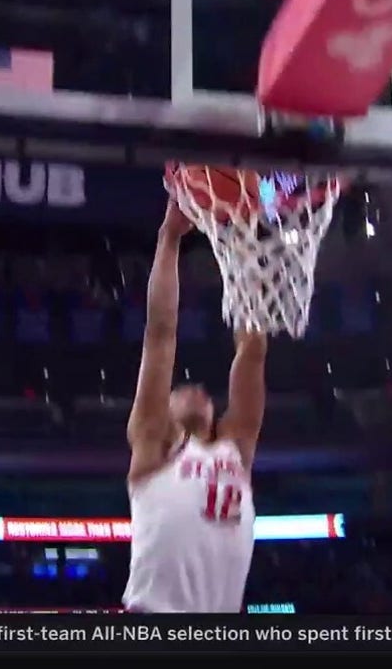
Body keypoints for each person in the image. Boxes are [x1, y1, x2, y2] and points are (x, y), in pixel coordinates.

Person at [122, 197, 268, 613]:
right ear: (163, 412)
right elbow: (161, 334)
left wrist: (242, 252)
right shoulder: (154, 443)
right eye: (182, 389)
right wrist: (168, 238)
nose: (196, 389)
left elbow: (252, 348)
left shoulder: (236, 447)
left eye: (201, 391)